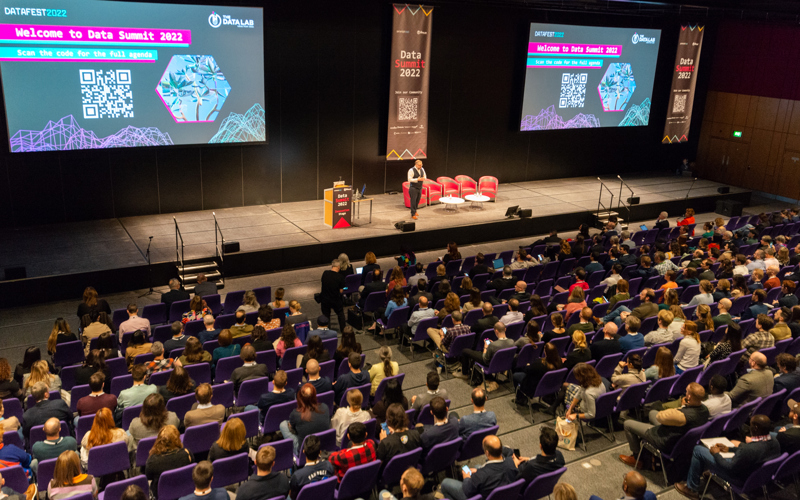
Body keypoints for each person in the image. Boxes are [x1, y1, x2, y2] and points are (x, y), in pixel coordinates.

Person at [674, 415, 780, 500]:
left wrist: (716, 454)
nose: (749, 427)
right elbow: (751, 453)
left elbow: (729, 467)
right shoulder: (775, 441)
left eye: (751, 424)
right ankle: (707, 471)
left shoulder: (749, 450)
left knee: (698, 450)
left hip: (738, 478)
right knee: (711, 452)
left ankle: (692, 489)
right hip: (754, 477)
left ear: (755, 428)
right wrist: (729, 449)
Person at [619, 383, 709, 468]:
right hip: (677, 434)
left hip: (664, 439)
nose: (685, 393)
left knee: (627, 424)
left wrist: (681, 407)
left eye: (687, 391)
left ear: (689, 396)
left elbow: (660, 417)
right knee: (652, 413)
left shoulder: (682, 416)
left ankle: (636, 458)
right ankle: (646, 451)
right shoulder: (705, 410)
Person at [439, 435, 516, 500]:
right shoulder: (511, 462)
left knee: (445, 483)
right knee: (477, 466)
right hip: (500, 492)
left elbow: (467, 490)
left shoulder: (481, 475)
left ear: (487, 453)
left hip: (480, 496)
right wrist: (478, 471)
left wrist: (466, 477)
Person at [280, 384, 331, 455]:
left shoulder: (295, 414)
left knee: (283, 424)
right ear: (314, 396)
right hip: (322, 444)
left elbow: (293, 430)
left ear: (300, 398)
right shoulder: (325, 407)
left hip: (304, 450)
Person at [145, 425, 194, 497]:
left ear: (159, 441)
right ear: (177, 439)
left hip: (162, 494)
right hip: (185, 490)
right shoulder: (187, 454)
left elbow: (148, 476)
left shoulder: (152, 461)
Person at [320, 259, 346, 331]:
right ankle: (343, 330)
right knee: (340, 314)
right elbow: (341, 291)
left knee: (326, 315)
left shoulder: (325, 273)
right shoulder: (340, 277)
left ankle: (327, 330)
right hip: (335, 300)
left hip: (325, 299)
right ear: (338, 267)